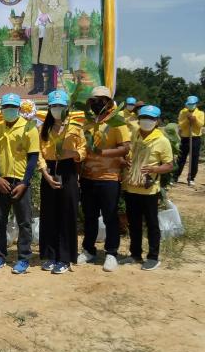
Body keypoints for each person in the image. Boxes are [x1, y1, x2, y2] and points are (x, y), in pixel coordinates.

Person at [77, 86, 131, 272]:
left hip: (109, 177)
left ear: (109, 102)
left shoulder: (117, 122)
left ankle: (111, 253)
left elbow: (125, 148)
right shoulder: (88, 123)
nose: (97, 103)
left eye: (101, 99)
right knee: (90, 216)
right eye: (94, 100)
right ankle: (89, 250)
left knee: (110, 216)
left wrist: (102, 152)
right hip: (88, 177)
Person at [0, 93, 39, 274]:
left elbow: (33, 158)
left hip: (20, 183)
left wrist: (25, 182)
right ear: (1, 109)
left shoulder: (29, 128)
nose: (9, 110)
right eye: (6, 107)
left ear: (18, 109)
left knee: (24, 222)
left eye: (13, 107)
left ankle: (24, 258)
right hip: (1, 181)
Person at [38, 90, 86, 274]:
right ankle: (51, 255)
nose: (57, 109)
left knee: (67, 214)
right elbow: (40, 153)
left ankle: (65, 258)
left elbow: (83, 150)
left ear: (67, 108)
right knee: (49, 214)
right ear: (49, 108)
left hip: (68, 171)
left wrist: (73, 154)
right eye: (54, 106)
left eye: (61, 106)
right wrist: (45, 173)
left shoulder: (75, 127)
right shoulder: (44, 129)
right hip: (49, 171)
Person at [121, 105, 173, 270]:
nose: (146, 121)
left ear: (156, 121)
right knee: (134, 223)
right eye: (143, 117)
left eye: (150, 118)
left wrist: (154, 169)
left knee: (151, 224)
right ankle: (135, 253)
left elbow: (169, 165)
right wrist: (125, 161)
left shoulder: (162, 140)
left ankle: (153, 257)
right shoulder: (134, 135)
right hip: (131, 187)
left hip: (149, 189)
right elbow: (126, 156)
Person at [23, 0, 69, 95]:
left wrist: (48, 16)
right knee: (36, 59)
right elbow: (30, 8)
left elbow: (64, 8)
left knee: (51, 59)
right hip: (37, 30)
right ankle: (38, 86)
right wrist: (27, 25)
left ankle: (51, 87)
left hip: (52, 30)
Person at [173, 96, 204, 186]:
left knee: (194, 159)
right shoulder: (183, 112)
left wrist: (194, 120)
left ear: (196, 104)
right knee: (181, 158)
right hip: (185, 137)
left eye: (192, 104)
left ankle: (191, 178)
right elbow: (181, 125)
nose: (191, 106)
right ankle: (175, 176)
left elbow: (200, 125)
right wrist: (187, 119)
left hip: (195, 138)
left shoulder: (200, 113)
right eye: (189, 104)